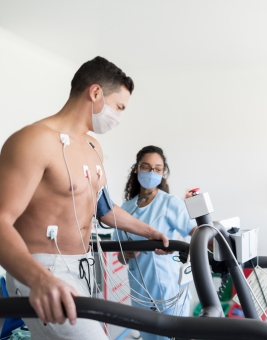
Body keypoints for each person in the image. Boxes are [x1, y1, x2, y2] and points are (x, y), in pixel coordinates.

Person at [0, 56, 169, 340]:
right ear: (95, 93)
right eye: (119, 107)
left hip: (84, 266)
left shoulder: (93, 147)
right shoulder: (34, 141)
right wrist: (39, 279)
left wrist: (150, 233)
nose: (119, 117)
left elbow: (104, 209)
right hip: (44, 269)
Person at [114, 145, 196, 340]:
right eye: (147, 167)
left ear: (163, 173)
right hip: (140, 293)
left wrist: (212, 237)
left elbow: (195, 232)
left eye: (157, 169)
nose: (152, 172)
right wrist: (127, 254)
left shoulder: (170, 203)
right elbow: (119, 255)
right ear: (137, 169)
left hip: (169, 290)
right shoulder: (124, 209)